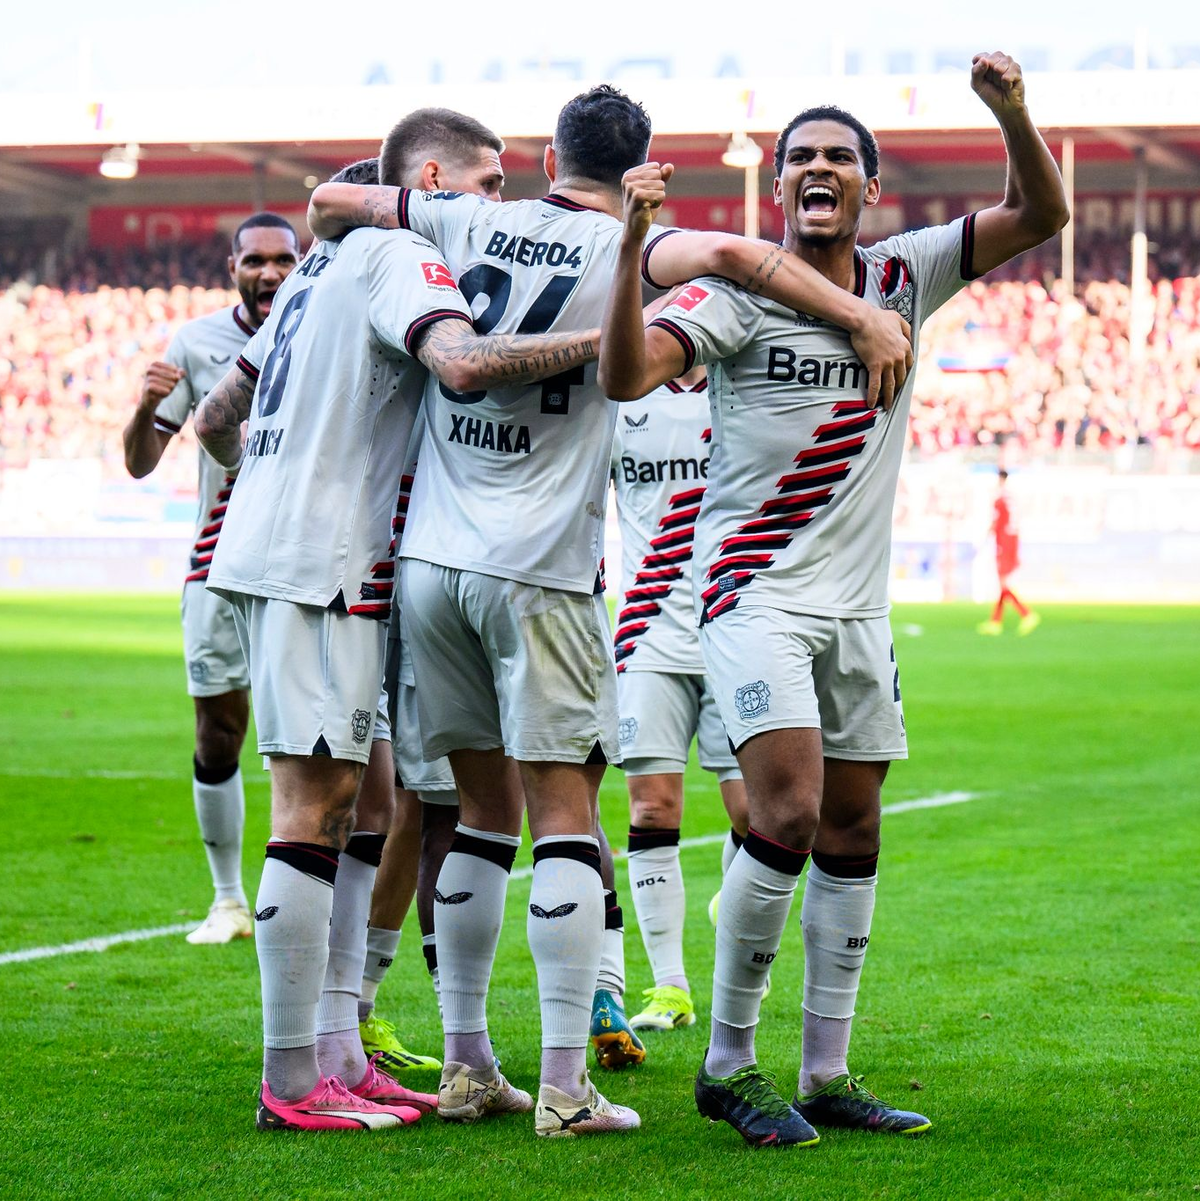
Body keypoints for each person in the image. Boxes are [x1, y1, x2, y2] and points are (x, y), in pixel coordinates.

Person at [308, 82, 913, 1140]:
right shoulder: (638, 246)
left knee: (474, 817)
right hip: (543, 565)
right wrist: (860, 308)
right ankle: (563, 1088)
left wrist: (385, 209)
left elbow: (332, 202)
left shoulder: (469, 215)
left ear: (548, 158)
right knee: (566, 817)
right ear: (642, 161)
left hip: (432, 561)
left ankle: (463, 1065)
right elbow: (733, 259)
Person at [598, 52, 1069, 1147]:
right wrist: (631, 255)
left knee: (856, 825)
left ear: (869, 189)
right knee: (793, 810)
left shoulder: (905, 275)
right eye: (800, 157)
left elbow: (1039, 213)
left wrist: (1011, 109)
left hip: (859, 609)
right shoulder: (730, 294)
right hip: (753, 595)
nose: (819, 169)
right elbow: (628, 376)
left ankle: (826, 1071)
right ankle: (725, 1062)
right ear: (778, 191)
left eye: (838, 159)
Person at [194, 108, 605, 1133]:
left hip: (295, 550)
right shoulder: (404, 254)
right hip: (325, 561)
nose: (498, 204)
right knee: (317, 804)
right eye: (488, 181)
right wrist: (614, 339)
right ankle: (295, 1080)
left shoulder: (310, 273)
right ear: (427, 177)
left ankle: (340, 1046)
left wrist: (270, 483)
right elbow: (463, 367)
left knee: (370, 794)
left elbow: (211, 421)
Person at [122, 213, 300, 944]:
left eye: (282, 259)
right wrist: (143, 407)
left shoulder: (325, 328)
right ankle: (228, 900)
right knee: (220, 731)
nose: (268, 272)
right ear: (233, 266)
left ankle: (304, 903)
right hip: (219, 565)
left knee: (313, 741)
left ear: (300, 263)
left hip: (305, 565)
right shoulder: (196, 343)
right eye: (254, 259)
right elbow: (140, 461)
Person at [602, 364, 749, 1050]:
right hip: (648, 632)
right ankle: (670, 987)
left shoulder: (743, 383)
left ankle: (738, 899)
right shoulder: (620, 393)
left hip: (737, 624)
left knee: (763, 815)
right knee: (651, 808)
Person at [978, 469, 1039, 635]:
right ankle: (995, 622)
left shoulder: (999, 499)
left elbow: (995, 522)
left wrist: (984, 539)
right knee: (1002, 585)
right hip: (1013, 542)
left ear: (1000, 479)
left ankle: (1026, 614)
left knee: (1004, 584)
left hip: (1003, 543)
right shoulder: (1013, 498)